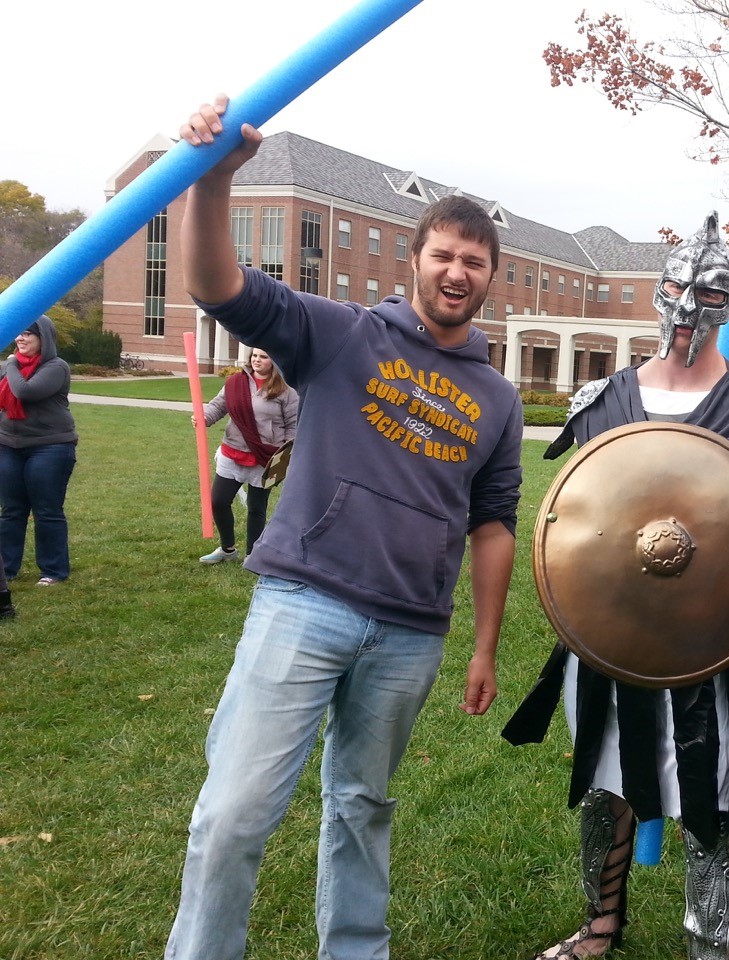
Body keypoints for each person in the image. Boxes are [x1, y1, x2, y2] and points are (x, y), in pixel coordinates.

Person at [165, 97, 523, 960]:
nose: (457, 271)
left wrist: (483, 646)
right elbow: (216, 287)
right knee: (236, 812)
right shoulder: (339, 334)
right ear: (416, 260)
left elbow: (495, 524)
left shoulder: (499, 399)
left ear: (489, 277)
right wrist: (213, 182)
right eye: (444, 254)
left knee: (362, 807)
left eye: (474, 261)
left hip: (409, 633)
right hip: (305, 604)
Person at [504, 213, 729, 960]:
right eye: (677, 285)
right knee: (604, 795)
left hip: (708, 656)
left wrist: (724, 560)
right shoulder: (603, 403)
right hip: (606, 644)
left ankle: (710, 948)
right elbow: (571, 520)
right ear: (657, 293)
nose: (690, 303)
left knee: (707, 811)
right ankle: (599, 929)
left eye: (710, 290)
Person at [196, 348, 299, 564]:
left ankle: (253, 555)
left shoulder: (286, 390)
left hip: (266, 457)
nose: (257, 360)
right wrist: (204, 417)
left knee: (256, 507)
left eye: (263, 357)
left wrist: (285, 455)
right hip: (232, 451)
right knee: (218, 501)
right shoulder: (236, 382)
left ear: (274, 361)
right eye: (254, 356)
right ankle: (228, 549)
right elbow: (218, 405)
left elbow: (293, 426)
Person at [0, 315, 77, 586]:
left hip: (50, 447)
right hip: (9, 446)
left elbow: (25, 392)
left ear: (43, 339)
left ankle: (53, 571)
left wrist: (9, 364)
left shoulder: (56, 367)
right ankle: (6, 569)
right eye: (18, 334)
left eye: (28, 334)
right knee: (11, 509)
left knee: (47, 510)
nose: (20, 338)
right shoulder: (10, 369)